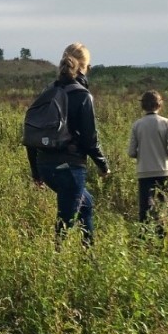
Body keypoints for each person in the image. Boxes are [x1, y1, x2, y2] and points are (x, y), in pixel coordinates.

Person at [24, 42, 110, 244]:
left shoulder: (48, 91)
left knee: (86, 205)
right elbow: (90, 139)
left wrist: (36, 172)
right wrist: (103, 166)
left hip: (45, 166)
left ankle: (89, 256)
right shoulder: (82, 95)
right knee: (65, 222)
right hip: (70, 168)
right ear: (84, 67)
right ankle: (55, 263)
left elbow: (32, 133)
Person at [128, 90, 168, 230]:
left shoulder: (137, 125)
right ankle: (162, 236)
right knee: (163, 207)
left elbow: (131, 152)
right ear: (159, 105)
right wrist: (165, 153)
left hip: (144, 172)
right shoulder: (167, 123)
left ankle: (144, 237)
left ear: (142, 106)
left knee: (145, 208)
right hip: (163, 170)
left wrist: (143, 153)